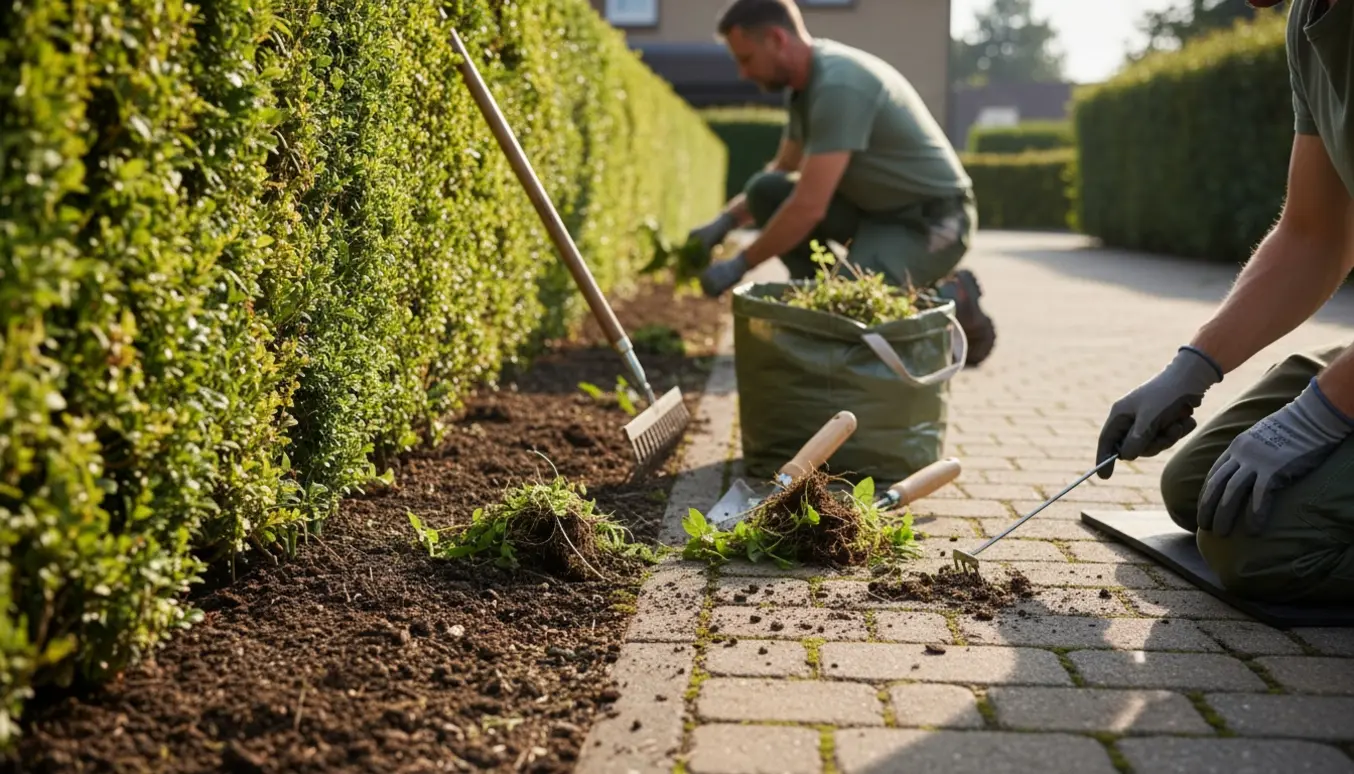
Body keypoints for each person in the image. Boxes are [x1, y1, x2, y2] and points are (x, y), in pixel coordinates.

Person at [1096, 0, 1354, 606]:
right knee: (1197, 488)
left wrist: (1321, 414)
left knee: (1263, 549)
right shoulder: (1311, 20)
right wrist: (1193, 366)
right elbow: (1316, 235)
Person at [687, 0, 997, 367]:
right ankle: (823, 310)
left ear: (775, 39)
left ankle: (952, 295)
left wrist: (739, 265)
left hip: (931, 221)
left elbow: (808, 207)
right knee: (764, 193)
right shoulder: (804, 90)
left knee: (855, 308)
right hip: (876, 213)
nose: (743, 73)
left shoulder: (839, 85)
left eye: (747, 58)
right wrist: (724, 223)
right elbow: (781, 171)